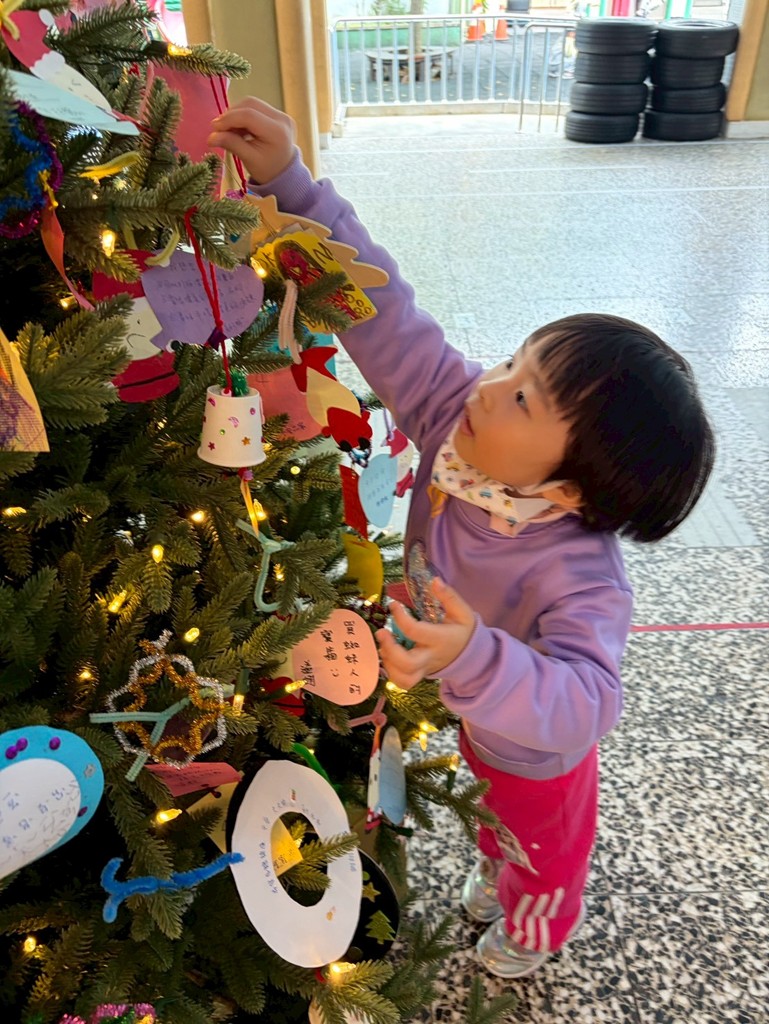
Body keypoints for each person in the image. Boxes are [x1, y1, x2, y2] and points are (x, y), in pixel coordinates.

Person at [208, 99, 715, 979]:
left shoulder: (582, 574)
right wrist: (294, 185)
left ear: (566, 488)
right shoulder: (457, 419)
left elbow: (590, 700)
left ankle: (536, 922)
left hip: (538, 751)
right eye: (513, 361)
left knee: (538, 844)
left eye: (521, 396)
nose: (488, 384)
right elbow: (386, 314)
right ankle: (497, 867)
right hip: (470, 708)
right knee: (489, 813)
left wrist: (475, 657)